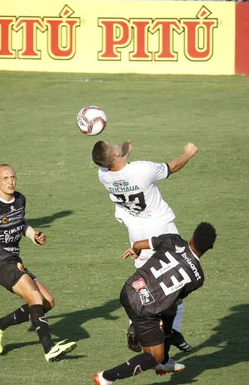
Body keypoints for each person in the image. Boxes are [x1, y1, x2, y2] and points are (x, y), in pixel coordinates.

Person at [0, 164, 76, 362]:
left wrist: (34, 236)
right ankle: (49, 349)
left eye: (13, 177)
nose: (10, 181)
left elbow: (22, 225)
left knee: (48, 302)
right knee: (35, 298)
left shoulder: (20, 199)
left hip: (14, 261)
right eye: (5, 178)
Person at [92, 140, 197, 352]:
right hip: (162, 231)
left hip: (136, 235)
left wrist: (125, 155)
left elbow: (120, 172)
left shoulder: (103, 175)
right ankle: (170, 332)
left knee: (146, 282)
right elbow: (172, 167)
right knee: (177, 281)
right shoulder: (143, 169)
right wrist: (187, 154)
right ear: (114, 152)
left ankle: (135, 324)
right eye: (113, 145)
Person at [93, 222, 217, 384]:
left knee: (161, 330)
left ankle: (164, 360)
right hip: (144, 310)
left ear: (192, 237)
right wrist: (168, 328)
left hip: (128, 290)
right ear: (210, 247)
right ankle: (106, 378)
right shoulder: (198, 278)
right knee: (154, 355)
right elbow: (173, 301)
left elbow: (138, 244)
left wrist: (136, 251)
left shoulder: (174, 240)